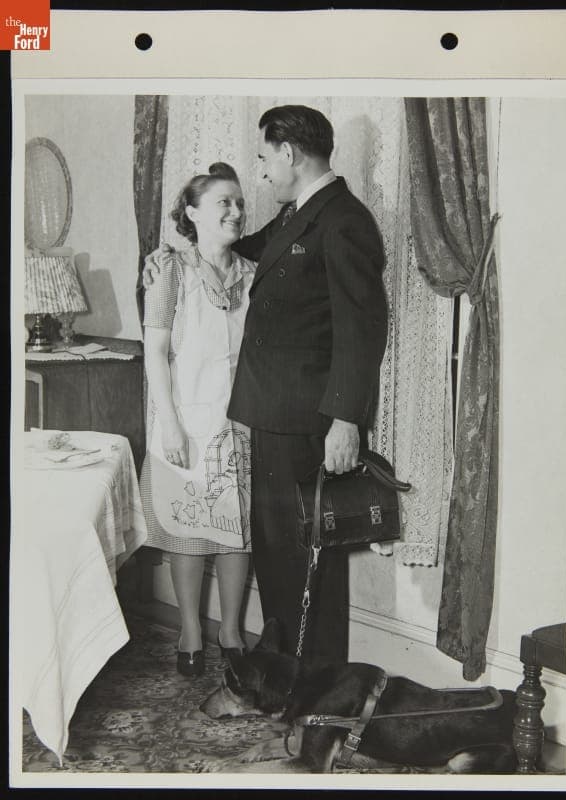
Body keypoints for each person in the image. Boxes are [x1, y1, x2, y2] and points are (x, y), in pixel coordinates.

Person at [144, 106, 388, 665]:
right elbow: (250, 247)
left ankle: (315, 688)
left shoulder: (343, 220)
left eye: (264, 159)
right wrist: (178, 252)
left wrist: (346, 420)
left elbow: (363, 327)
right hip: (272, 418)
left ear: (288, 153)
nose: (261, 174)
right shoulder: (300, 213)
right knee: (281, 560)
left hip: (308, 422)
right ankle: (285, 679)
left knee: (307, 564)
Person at [140, 163, 254, 676]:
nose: (235, 211)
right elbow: (155, 353)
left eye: (238, 202)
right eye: (222, 203)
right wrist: (169, 426)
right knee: (189, 530)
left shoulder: (253, 273)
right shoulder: (170, 271)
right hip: (185, 419)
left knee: (236, 530)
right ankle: (191, 629)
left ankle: (230, 632)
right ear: (192, 214)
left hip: (241, 424)